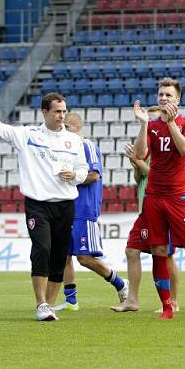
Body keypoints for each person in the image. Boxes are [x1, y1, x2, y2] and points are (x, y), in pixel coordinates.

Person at [0, 86, 88, 321]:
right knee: (42, 249)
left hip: (65, 205)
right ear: (44, 112)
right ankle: (41, 303)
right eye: (57, 111)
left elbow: (83, 169)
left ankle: (49, 306)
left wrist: (76, 176)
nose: (61, 115)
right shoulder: (28, 135)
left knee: (60, 256)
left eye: (64, 111)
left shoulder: (73, 140)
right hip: (38, 204)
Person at [131, 77, 185, 320]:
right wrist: (142, 125)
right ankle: (167, 307)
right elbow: (140, 155)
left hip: (180, 197)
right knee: (159, 250)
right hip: (154, 197)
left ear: (177, 99)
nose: (163, 98)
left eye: (168, 95)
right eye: (161, 94)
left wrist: (171, 124)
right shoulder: (150, 126)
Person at [53, 112, 129, 311]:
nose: (64, 131)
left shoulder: (87, 146)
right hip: (66, 207)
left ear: (78, 128)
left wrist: (73, 177)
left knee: (85, 258)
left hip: (84, 209)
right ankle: (71, 301)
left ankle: (121, 284)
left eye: (67, 128)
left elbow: (94, 176)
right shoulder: (66, 150)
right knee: (64, 256)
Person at [111, 107, 181, 313]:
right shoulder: (147, 142)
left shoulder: (167, 144)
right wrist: (135, 165)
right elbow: (140, 178)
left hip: (163, 206)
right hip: (146, 207)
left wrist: (138, 162)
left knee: (166, 256)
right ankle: (132, 300)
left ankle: (174, 302)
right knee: (132, 250)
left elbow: (158, 175)